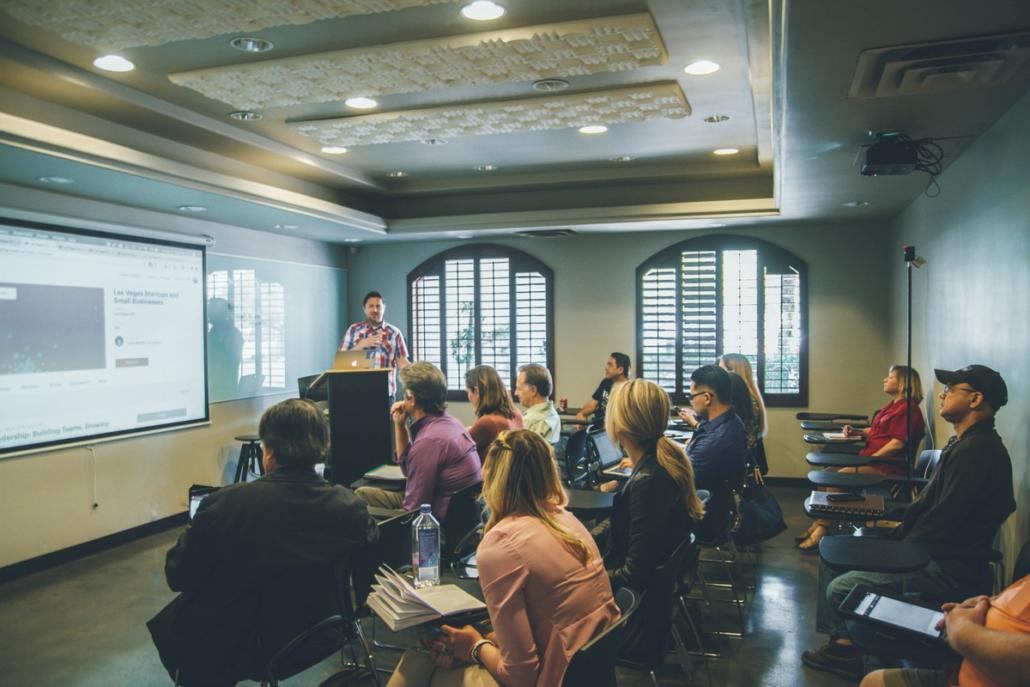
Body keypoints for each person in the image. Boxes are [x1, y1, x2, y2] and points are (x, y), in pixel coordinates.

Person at [802, 364, 1015, 682]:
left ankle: (854, 651)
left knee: (840, 586)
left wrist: (895, 548)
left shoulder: (979, 452)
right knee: (832, 553)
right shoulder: (963, 445)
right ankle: (844, 644)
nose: (942, 394)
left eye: (951, 389)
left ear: (975, 399)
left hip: (945, 566)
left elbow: (944, 521)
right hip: (926, 548)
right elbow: (928, 508)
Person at [147, 399, 379, 687]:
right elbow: (366, 568)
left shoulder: (226, 505)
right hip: (322, 631)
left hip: (241, 645)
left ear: (268, 452)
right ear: (322, 448)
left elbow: (178, 574)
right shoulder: (350, 506)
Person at [387, 430, 620, 687]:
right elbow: (545, 623)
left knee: (434, 667)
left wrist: (475, 646)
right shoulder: (567, 521)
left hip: (556, 675)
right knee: (437, 652)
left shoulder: (501, 545)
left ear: (491, 479)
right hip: (583, 670)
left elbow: (521, 676)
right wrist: (484, 642)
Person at [591, 379, 706, 662]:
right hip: (652, 606)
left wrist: (581, 579)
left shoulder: (648, 480)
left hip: (634, 623)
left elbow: (633, 574)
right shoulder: (661, 462)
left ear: (619, 424)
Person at [797, 365, 926, 551]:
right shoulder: (893, 406)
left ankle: (822, 528)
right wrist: (857, 431)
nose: (885, 380)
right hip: (873, 461)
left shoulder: (909, 410)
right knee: (827, 474)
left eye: (890, 377)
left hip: (886, 467)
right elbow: (876, 431)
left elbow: (897, 443)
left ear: (903, 383)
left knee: (837, 479)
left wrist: (870, 459)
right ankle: (819, 522)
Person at [356, 362, 481, 519]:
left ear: (413, 399)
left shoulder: (429, 441)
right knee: (363, 493)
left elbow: (413, 510)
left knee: (357, 502)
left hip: (435, 523)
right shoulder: (451, 423)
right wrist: (400, 426)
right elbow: (409, 471)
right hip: (460, 519)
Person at [859, 574, 1030, 687]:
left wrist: (961, 630)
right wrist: (986, 604)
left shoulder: (961, 633)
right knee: (874, 681)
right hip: (968, 671)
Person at [678, 364, 749, 542]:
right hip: (717, 506)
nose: (690, 401)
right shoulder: (728, 422)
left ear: (707, 398)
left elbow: (680, 478)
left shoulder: (717, 440)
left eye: (691, 396)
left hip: (705, 517)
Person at [339, 290, 409, 400]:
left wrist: (419, 375)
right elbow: (341, 361)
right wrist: (360, 345)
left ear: (384, 308)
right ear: (364, 309)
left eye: (378, 306)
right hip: (357, 394)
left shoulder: (394, 332)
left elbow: (402, 363)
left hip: (385, 396)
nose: (375, 310)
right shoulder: (353, 330)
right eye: (371, 306)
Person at [464, 365, 523, 463]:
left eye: (468, 392)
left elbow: (459, 451)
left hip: (492, 477)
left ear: (477, 391)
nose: (468, 397)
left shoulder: (488, 422)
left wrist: (466, 432)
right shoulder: (516, 413)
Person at [573, 352, 631, 428]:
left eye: (610, 365)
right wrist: (581, 414)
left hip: (610, 432)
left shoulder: (629, 390)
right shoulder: (606, 382)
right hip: (596, 426)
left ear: (620, 370)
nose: (606, 367)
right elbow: (594, 403)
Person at [206, 297, 243, 399]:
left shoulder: (234, 335)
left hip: (226, 391)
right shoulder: (210, 335)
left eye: (213, 310)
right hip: (213, 391)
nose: (209, 314)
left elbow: (231, 361)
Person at [514, 363, 561, 444]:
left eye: (519, 388)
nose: (516, 393)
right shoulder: (553, 415)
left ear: (533, 390)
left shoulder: (529, 422)